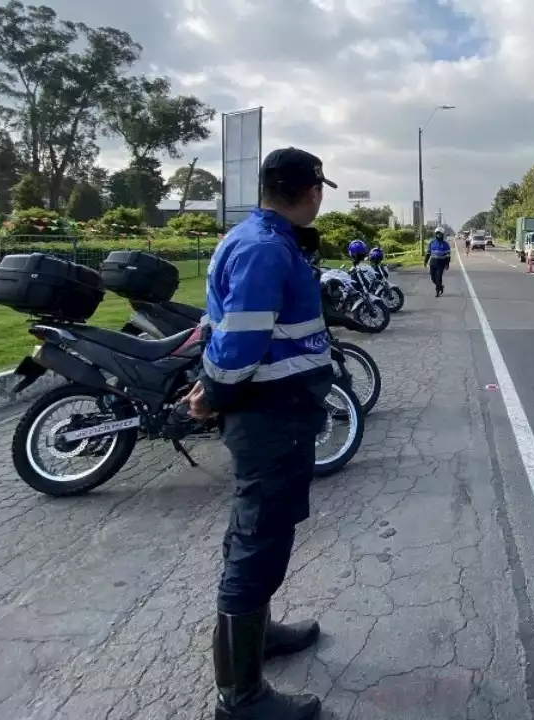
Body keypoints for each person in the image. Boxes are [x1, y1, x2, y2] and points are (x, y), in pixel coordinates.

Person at [185, 146, 337, 720]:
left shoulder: (261, 238)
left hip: (279, 412)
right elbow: (239, 343)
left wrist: (215, 388)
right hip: (270, 415)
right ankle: (240, 697)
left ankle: (261, 635)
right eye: (320, 188)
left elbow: (232, 329)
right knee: (258, 540)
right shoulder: (265, 249)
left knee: (260, 531)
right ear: (310, 190)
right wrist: (214, 392)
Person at [427, 227, 451, 297]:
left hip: (441, 263)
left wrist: (447, 264)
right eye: (437, 234)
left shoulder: (445, 244)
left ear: (442, 235)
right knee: (433, 278)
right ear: (435, 234)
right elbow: (428, 253)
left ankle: (437, 291)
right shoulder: (432, 243)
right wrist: (425, 261)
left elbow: (448, 255)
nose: (438, 235)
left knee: (438, 277)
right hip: (433, 262)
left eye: (440, 234)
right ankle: (440, 286)